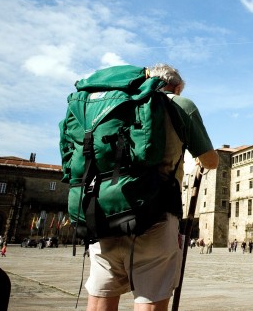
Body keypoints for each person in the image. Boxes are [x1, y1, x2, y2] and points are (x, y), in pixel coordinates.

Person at [84, 63, 219, 311]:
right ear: (176, 87)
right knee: (150, 298)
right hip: (156, 213)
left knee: (101, 298)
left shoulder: (115, 104)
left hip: (104, 212)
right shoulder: (180, 104)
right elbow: (212, 161)